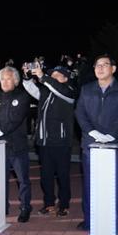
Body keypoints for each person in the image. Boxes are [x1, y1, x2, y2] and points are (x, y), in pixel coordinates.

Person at [75, 54, 118, 235]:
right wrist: (92, 132)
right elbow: (80, 113)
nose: (100, 68)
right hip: (90, 144)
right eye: (97, 65)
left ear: (113, 69)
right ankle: (90, 220)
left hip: (114, 145)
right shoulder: (86, 89)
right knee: (90, 184)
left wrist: (110, 136)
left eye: (104, 65)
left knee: (115, 185)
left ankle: (117, 222)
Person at [22, 63, 76, 217]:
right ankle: (49, 204)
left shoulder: (69, 91)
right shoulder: (46, 91)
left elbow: (59, 90)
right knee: (46, 176)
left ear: (65, 78)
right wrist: (27, 76)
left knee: (63, 175)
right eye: (51, 75)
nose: (52, 77)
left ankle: (64, 204)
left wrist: (43, 77)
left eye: (57, 75)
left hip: (61, 142)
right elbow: (32, 89)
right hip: (44, 142)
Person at [0, 66, 32, 222]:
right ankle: (2, 206)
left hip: (18, 146)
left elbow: (15, 120)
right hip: (0, 147)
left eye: (8, 78)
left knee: (22, 180)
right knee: (0, 178)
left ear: (16, 80)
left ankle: (25, 207)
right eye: (2, 79)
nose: (5, 82)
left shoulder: (23, 96)